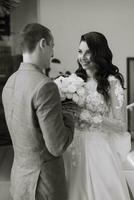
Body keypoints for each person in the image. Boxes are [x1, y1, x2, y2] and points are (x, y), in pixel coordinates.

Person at [2, 23, 74, 200]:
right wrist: (69, 117)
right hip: (44, 185)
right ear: (43, 43)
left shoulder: (10, 82)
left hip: (19, 182)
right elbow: (57, 146)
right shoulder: (45, 86)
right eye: (52, 46)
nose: (53, 54)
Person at [63, 31, 132, 200]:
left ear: (99, 54)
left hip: (99, 149)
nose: (83, 57)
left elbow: (121, 124)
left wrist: (86, 115)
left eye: (88, 52)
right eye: (80, 51)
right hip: (73, 148)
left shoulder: (112, 82)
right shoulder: (73, 81)